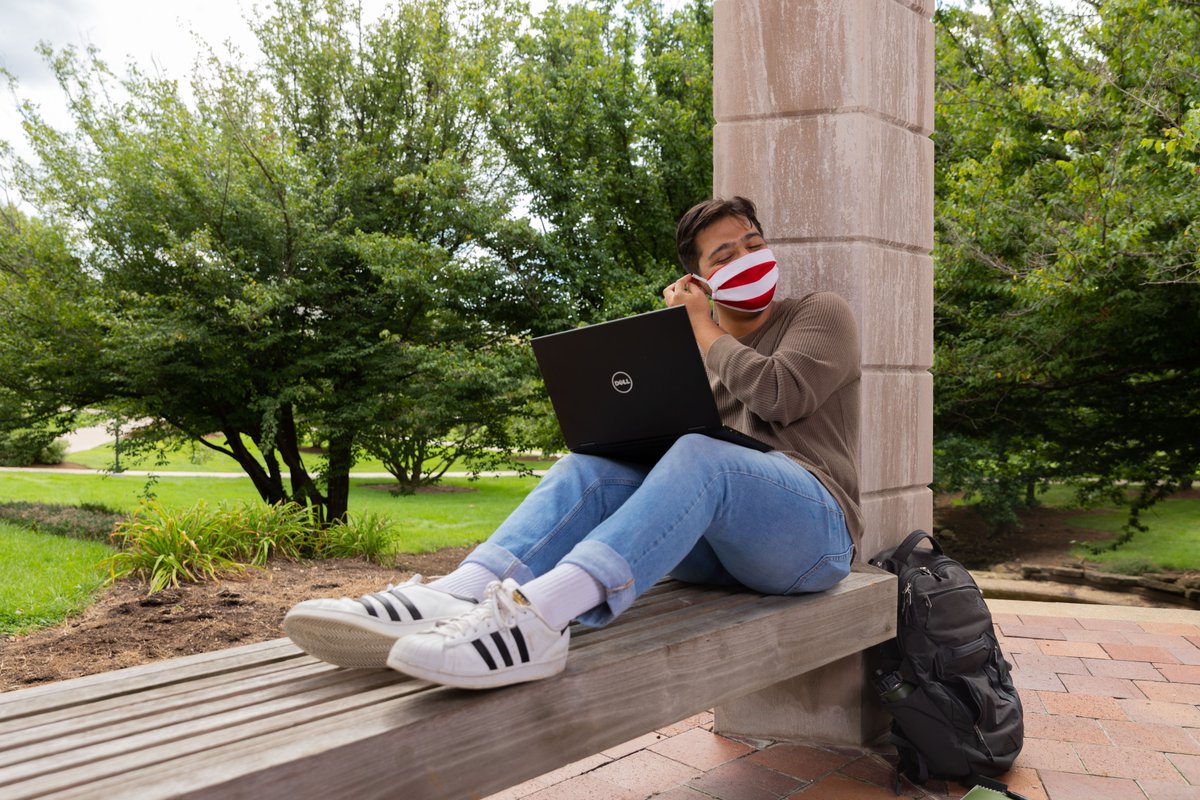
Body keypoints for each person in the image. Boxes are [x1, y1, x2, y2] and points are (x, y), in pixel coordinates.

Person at [283, 196, 863, 689]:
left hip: (815, 538)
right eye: (725, 255)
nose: (747, 258)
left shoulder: (818, 314)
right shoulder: (687, 362)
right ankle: (460, 593)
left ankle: (540, 620)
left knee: (701, 453)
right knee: (591, 465)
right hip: (718, 554)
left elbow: (782, 395)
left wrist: (698, 326)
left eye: (752, 243)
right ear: (700, 279)